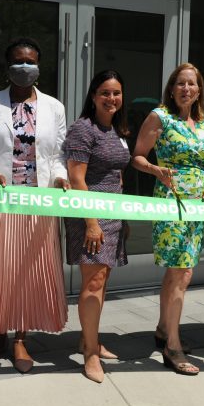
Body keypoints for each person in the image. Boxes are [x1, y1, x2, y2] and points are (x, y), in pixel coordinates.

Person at [0, 37, 69, 373]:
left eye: (31, 61)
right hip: (1, 201)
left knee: (28, 270)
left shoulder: (54, 107)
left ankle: (21, 338)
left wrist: (59, 178)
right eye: (18, 61)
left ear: (39, 67)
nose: (25, 67)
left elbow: (57, 155)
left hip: (38, 203)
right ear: (7, 66)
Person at [131, 63, 204, 376]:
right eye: (180, 83)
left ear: (199, 90)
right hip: (171, 201)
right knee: (180, 272)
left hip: (198, 205)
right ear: (172, 88)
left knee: (182, 272)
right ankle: (173, 346)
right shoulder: (160, 116)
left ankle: (162, 328)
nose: (185, 89)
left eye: (191, 84)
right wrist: (157, 170)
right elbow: (138, 157)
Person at [65, 70, 131, 383]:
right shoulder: (83, 128)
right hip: (90, 213)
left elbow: (118, 175)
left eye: (116, 93)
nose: (111, 98)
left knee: (101, 281)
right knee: (92, 283)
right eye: (105, 92)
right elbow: (76, 178)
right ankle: (90, 353)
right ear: (93, 96)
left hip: (114, 213)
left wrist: (124, 217)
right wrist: (91, 222)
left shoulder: (116, 129)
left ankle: (89, 339)